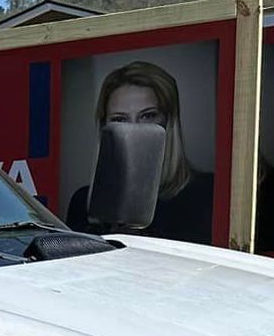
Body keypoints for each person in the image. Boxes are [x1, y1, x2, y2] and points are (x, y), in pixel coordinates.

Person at [65, 60, 216, 242]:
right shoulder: (83, 204)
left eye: (147, 116)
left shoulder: (208, 194)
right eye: (120, 119)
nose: (133, 129)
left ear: (168, 121)